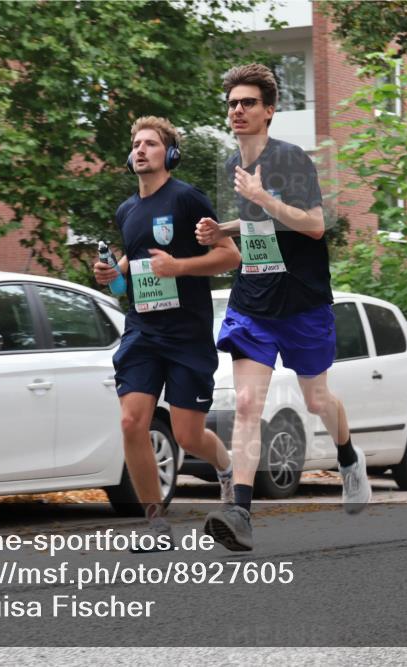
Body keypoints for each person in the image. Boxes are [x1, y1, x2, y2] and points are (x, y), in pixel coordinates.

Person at [196, 64, 371, 552]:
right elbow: (258, 223)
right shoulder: (233, 163)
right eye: (232, 103)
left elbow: (313, 225)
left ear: (269, 110)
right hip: (253, 300)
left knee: (317, 400)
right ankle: (241, 512)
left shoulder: (291, 159)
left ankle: (348, 457)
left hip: (301, 303)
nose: (238, 110)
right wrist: (221, 230)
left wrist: (261, 197)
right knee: (247, 404)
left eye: (248, 102)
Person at [94, 116, 240, 550]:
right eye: (136, 144)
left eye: (151, 144)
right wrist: (112, 273)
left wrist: (179, 267)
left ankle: (226, 470)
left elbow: (229, 255)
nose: (140, 149)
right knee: (131, 422)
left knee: (187, 435)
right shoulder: (127, 210)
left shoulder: (187, 199)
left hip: (186, 334)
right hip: (142, 330)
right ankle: (156, 523)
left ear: (170, 154)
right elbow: (133, 265)